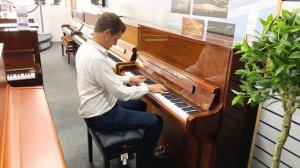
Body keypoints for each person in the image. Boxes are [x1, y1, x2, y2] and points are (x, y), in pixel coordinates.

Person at [75, 12, 167, 167]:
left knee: (141, 105)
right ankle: (146, 159)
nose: (115, 44)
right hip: (101, 116)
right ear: (107, 33)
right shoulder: (96, 58)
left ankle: (136, 147)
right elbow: (121, 94)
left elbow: (104, 79)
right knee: (156, 121)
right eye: (116, 39)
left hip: (97, 107)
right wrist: (148, 87)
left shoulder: (86, 48)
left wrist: (129, 79)